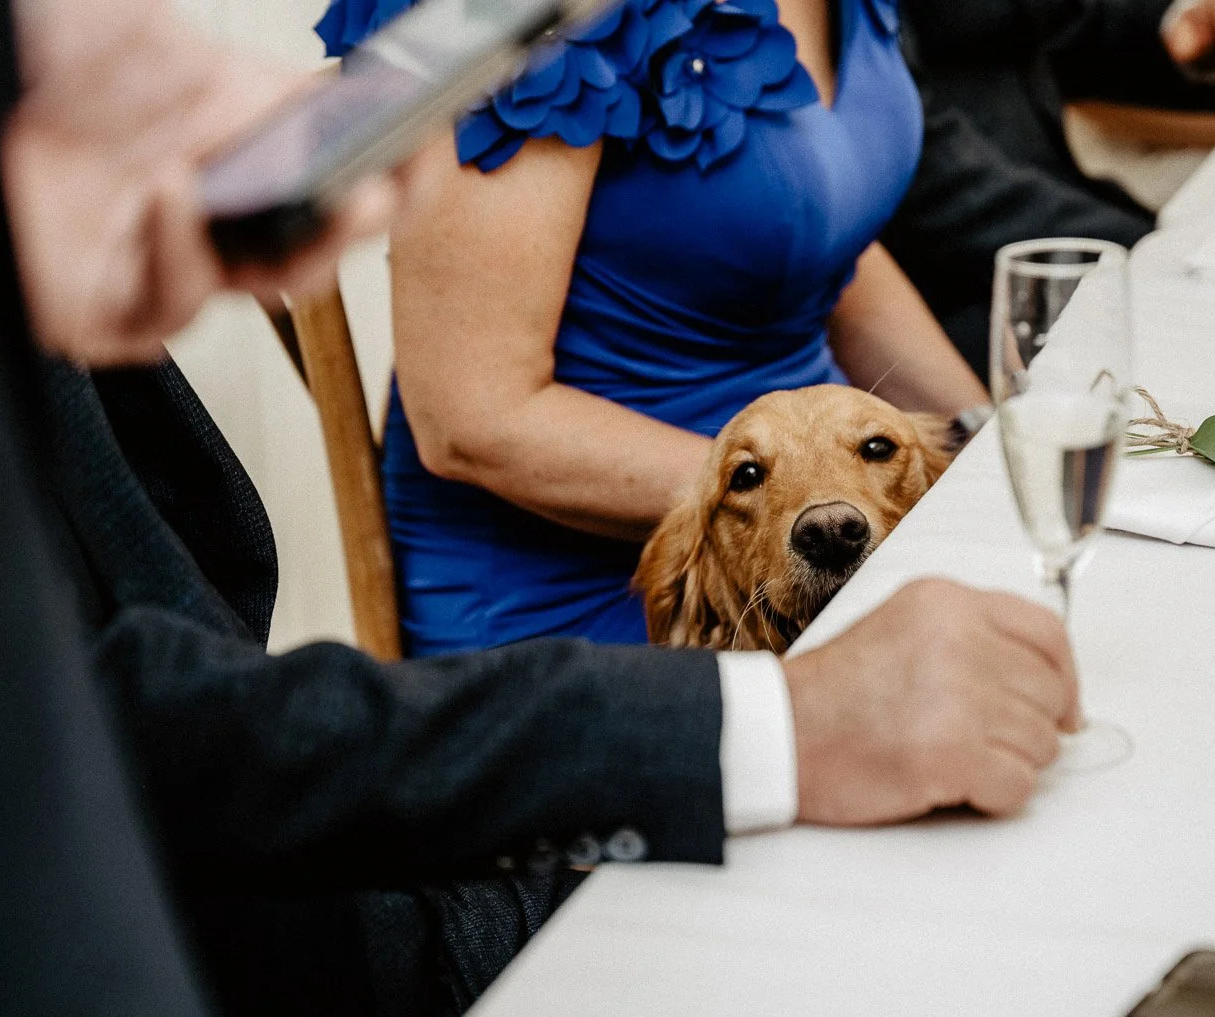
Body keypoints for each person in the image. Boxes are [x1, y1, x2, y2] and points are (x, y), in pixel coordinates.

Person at [0, 1, 1083, 1017]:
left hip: (274, 825)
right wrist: (777, 704)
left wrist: (974, 448)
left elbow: (827, 227)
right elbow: (466, 428)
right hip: (555, 618)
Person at [316, 0, 992, 655]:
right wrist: (805, 500)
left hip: (833, 509)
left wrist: (985, 440)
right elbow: (472, 419)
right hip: (580, 595)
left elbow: (823, 232)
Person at [883, 0, 1215, 373]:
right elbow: (927, 174)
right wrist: (1143, 247)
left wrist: (1181, 22)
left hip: (1057, 194)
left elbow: (1060, 20)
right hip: (948, 282)